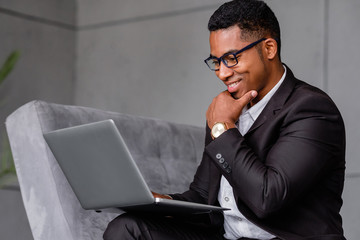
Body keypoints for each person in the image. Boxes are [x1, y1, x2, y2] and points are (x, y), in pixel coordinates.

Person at [103, 0, 346, 239]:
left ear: (269, 49)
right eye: (216, 61)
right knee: (126, 228)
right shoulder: (226, 110)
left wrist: (223, 128)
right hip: (226, 236)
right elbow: (202, 197)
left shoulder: (311, 109)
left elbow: (267, 198)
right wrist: (157, 202)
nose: (222, 72)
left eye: (232, 58)